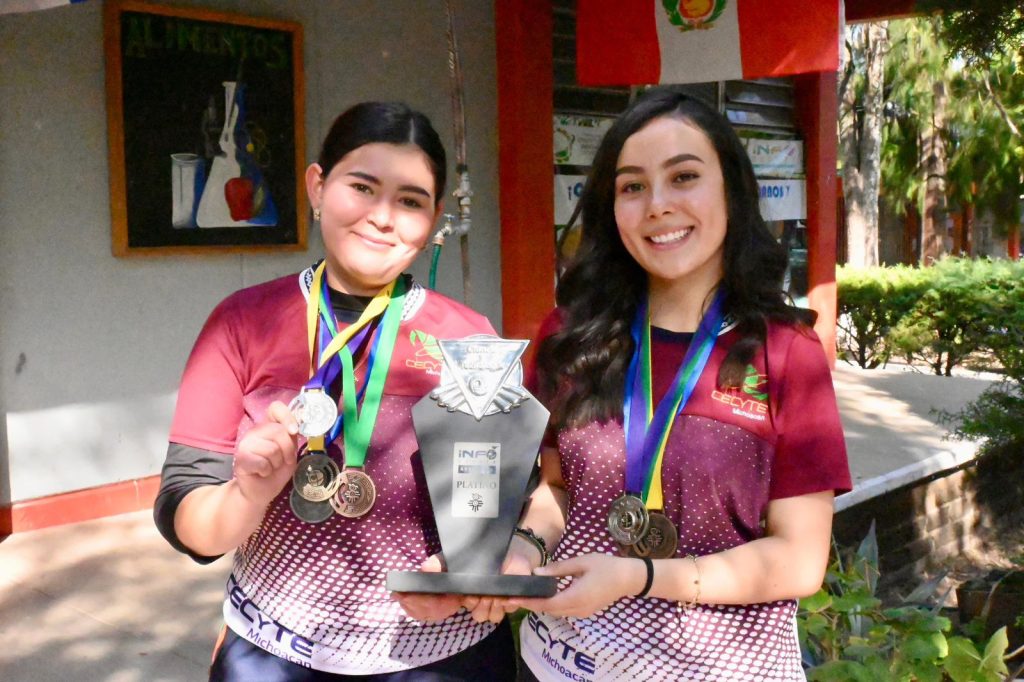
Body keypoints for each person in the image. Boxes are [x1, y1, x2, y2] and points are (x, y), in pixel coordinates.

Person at [465, 88, 852, 681]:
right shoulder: (572, 335)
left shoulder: (784, 352)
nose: (658, 205)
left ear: (732, 191)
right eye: (632, 187)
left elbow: (799, 560)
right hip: (559, 665)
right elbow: (557, 489)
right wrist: (523, 549)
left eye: (684, 177)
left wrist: (639, 577)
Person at [154, 101, 517, 681]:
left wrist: (466, 569)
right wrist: (247, 494)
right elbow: (186, 518)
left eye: (410, 201)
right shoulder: (242, 322)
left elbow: (495, 515)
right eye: (362, 187)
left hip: (441, 658)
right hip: (275, 656)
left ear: (433, 220)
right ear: (317, 187)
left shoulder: (470, 339)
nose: (382, 217)